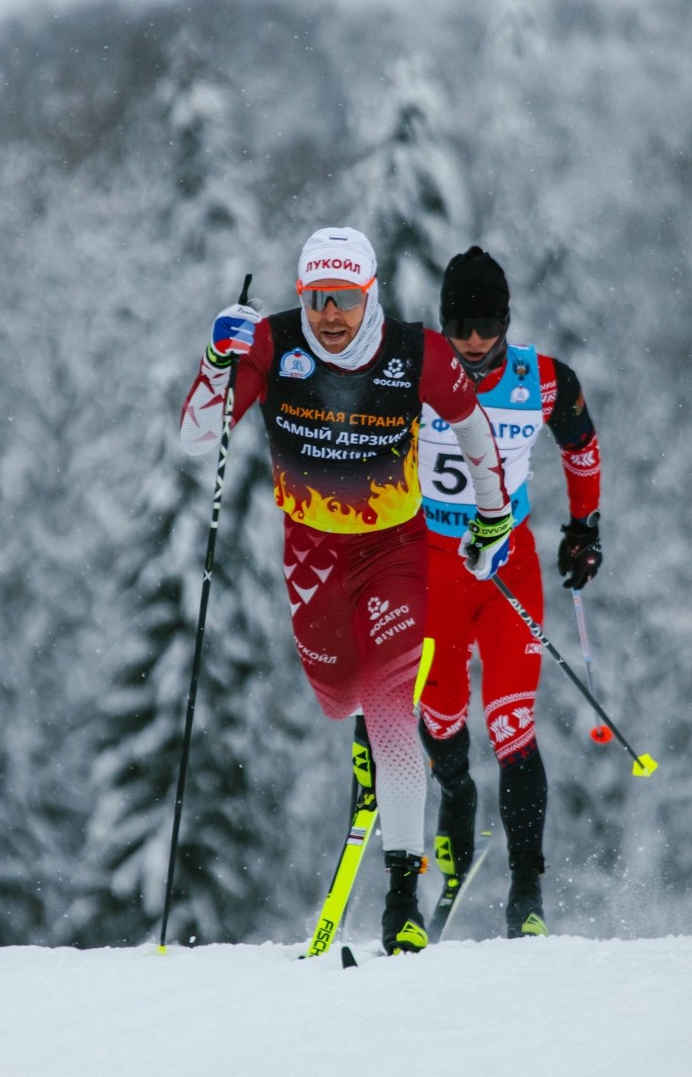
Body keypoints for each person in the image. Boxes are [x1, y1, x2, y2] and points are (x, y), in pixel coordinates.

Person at [180, 227, 513, 955]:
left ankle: (404, 895)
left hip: (395, 550)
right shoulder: (271, 346)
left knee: (393, 708)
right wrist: (215, 361)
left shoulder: (415, 353)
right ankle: (367, 734)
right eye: (317, 299)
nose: (331, 315)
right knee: (337, 693)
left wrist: (494, 519)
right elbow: (197, 440)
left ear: (372, 295)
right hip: (311, 555)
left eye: (347, 299)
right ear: (301, 297)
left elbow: (477, 434)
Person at [417, 246, 602, 938]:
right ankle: (456, 799)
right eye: (460, 324)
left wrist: (584, 530)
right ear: (443, 322)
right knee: (439, 719)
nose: (472, 341)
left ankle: (527, 888)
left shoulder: (543, 380)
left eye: (486, 323)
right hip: (434, 566)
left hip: (507, 568)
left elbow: (582, 449)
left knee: (511, 722)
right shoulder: (417, 372)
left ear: (506, 319)